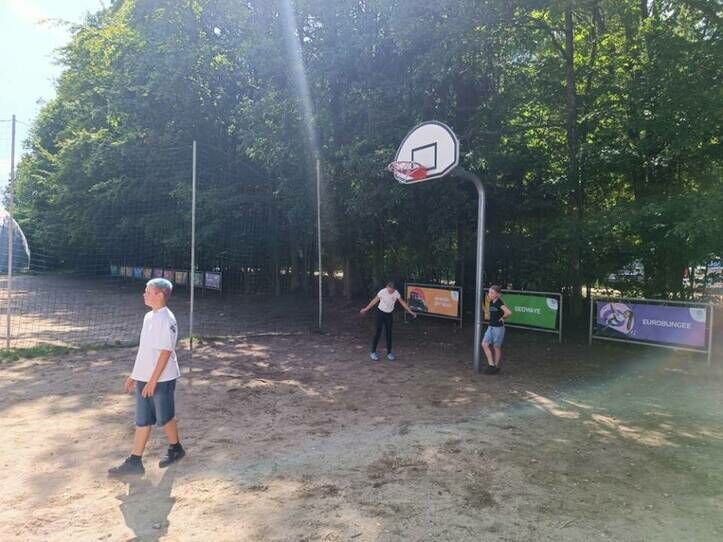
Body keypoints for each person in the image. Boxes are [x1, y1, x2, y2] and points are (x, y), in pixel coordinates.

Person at [109, 278, 185, 477]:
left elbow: (165, 353)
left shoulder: (167, 319)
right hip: (146, 377)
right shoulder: (148, 317)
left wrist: (152, 381)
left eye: (148, 291)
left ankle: (176, 448)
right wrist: (135, 375)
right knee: (142, 420)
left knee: (165, 417)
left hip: (162, 378)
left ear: (160, 295)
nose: (144, 294)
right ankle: (135, 461)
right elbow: (144, 351)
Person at [360, 281, 417, 361]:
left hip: (389, 315)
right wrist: (366, 309)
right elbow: (374, 301)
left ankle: (389, 353)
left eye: (392, 290)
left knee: (389, 333)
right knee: (378, 332)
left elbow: (403, 303)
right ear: (387, 287)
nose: (390, 292)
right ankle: (373, 352)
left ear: (394, 289)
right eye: (389, 290)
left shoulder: (396, 293)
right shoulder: (382, 292)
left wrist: (411, 312)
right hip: (380, 313)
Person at [482, 285, 512, 375]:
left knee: (496, 347)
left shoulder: (499, 303)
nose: (490, 294)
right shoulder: (491, 302)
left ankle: (495, 366)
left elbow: (508, 312)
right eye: (489, 292)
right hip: (491, 326)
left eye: (492, 293)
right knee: (484, 344)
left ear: (498, 294)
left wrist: (503, 318)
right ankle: (491, 365)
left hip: (498, 328)